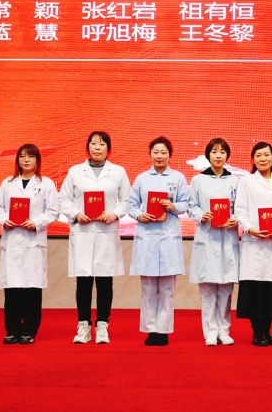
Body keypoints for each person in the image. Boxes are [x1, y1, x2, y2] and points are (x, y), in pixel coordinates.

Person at [60, 130, 131, 344]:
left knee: (104, 280)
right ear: (87, 147)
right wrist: (76, 214)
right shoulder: (75, 171)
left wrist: (114, 214)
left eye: (101, 144)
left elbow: (126, 200)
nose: (97, 148)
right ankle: (83, 327)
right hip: (83, 232)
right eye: (93, 143)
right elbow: (64, 199)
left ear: (108, 149)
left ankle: (102, 326)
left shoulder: (118, 172)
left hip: (105, 233)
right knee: (83, 281)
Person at [0, 144, 60, 344]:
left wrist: (36, 222)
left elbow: (53, 211)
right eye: (22, 156)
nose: (26, 160)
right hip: (12, 240)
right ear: (17, 160)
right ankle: (12, 330)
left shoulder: (45, 184)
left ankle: (29, 330)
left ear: (38, 160)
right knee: (12, 288)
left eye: (30, 156)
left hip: (33, 242)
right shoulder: (8, 183)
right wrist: (4, 220)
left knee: (32, 287)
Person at [127, 137, 189, 346]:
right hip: (147, 236)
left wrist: (173, 207)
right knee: (148, 289)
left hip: (168, 236)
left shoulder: (178, 178)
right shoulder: (142, 178)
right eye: (156, 152)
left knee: (167, 290)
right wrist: (139, 215)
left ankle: (163, 330)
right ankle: (150, 329)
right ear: (150, 154)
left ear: (170, 155)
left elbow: (186, 203)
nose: (159, 156)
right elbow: (131, 205)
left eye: (163, 152)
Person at [234, 141, 272, 346]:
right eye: (258, 155)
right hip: (254, 243)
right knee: (255, 288)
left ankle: (267, 330)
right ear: (252, 160)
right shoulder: (246, 182)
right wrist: (250, 228)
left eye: (266, 155)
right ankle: (257, 332)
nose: (263, 158)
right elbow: (240, 210)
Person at [188, 138, 240, 346]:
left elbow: (241, 207)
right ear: (208, 155)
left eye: (222, 152)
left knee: (226, 288)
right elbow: (191, 206)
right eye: (214, 151)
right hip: (207, 237)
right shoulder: (198, 180)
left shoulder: (235, 180)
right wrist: (202, 215)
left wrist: (235, 218)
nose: (218, 155)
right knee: (208, 288)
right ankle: (210, 330)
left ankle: (224, 330)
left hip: (227, 238)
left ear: (227, 155)